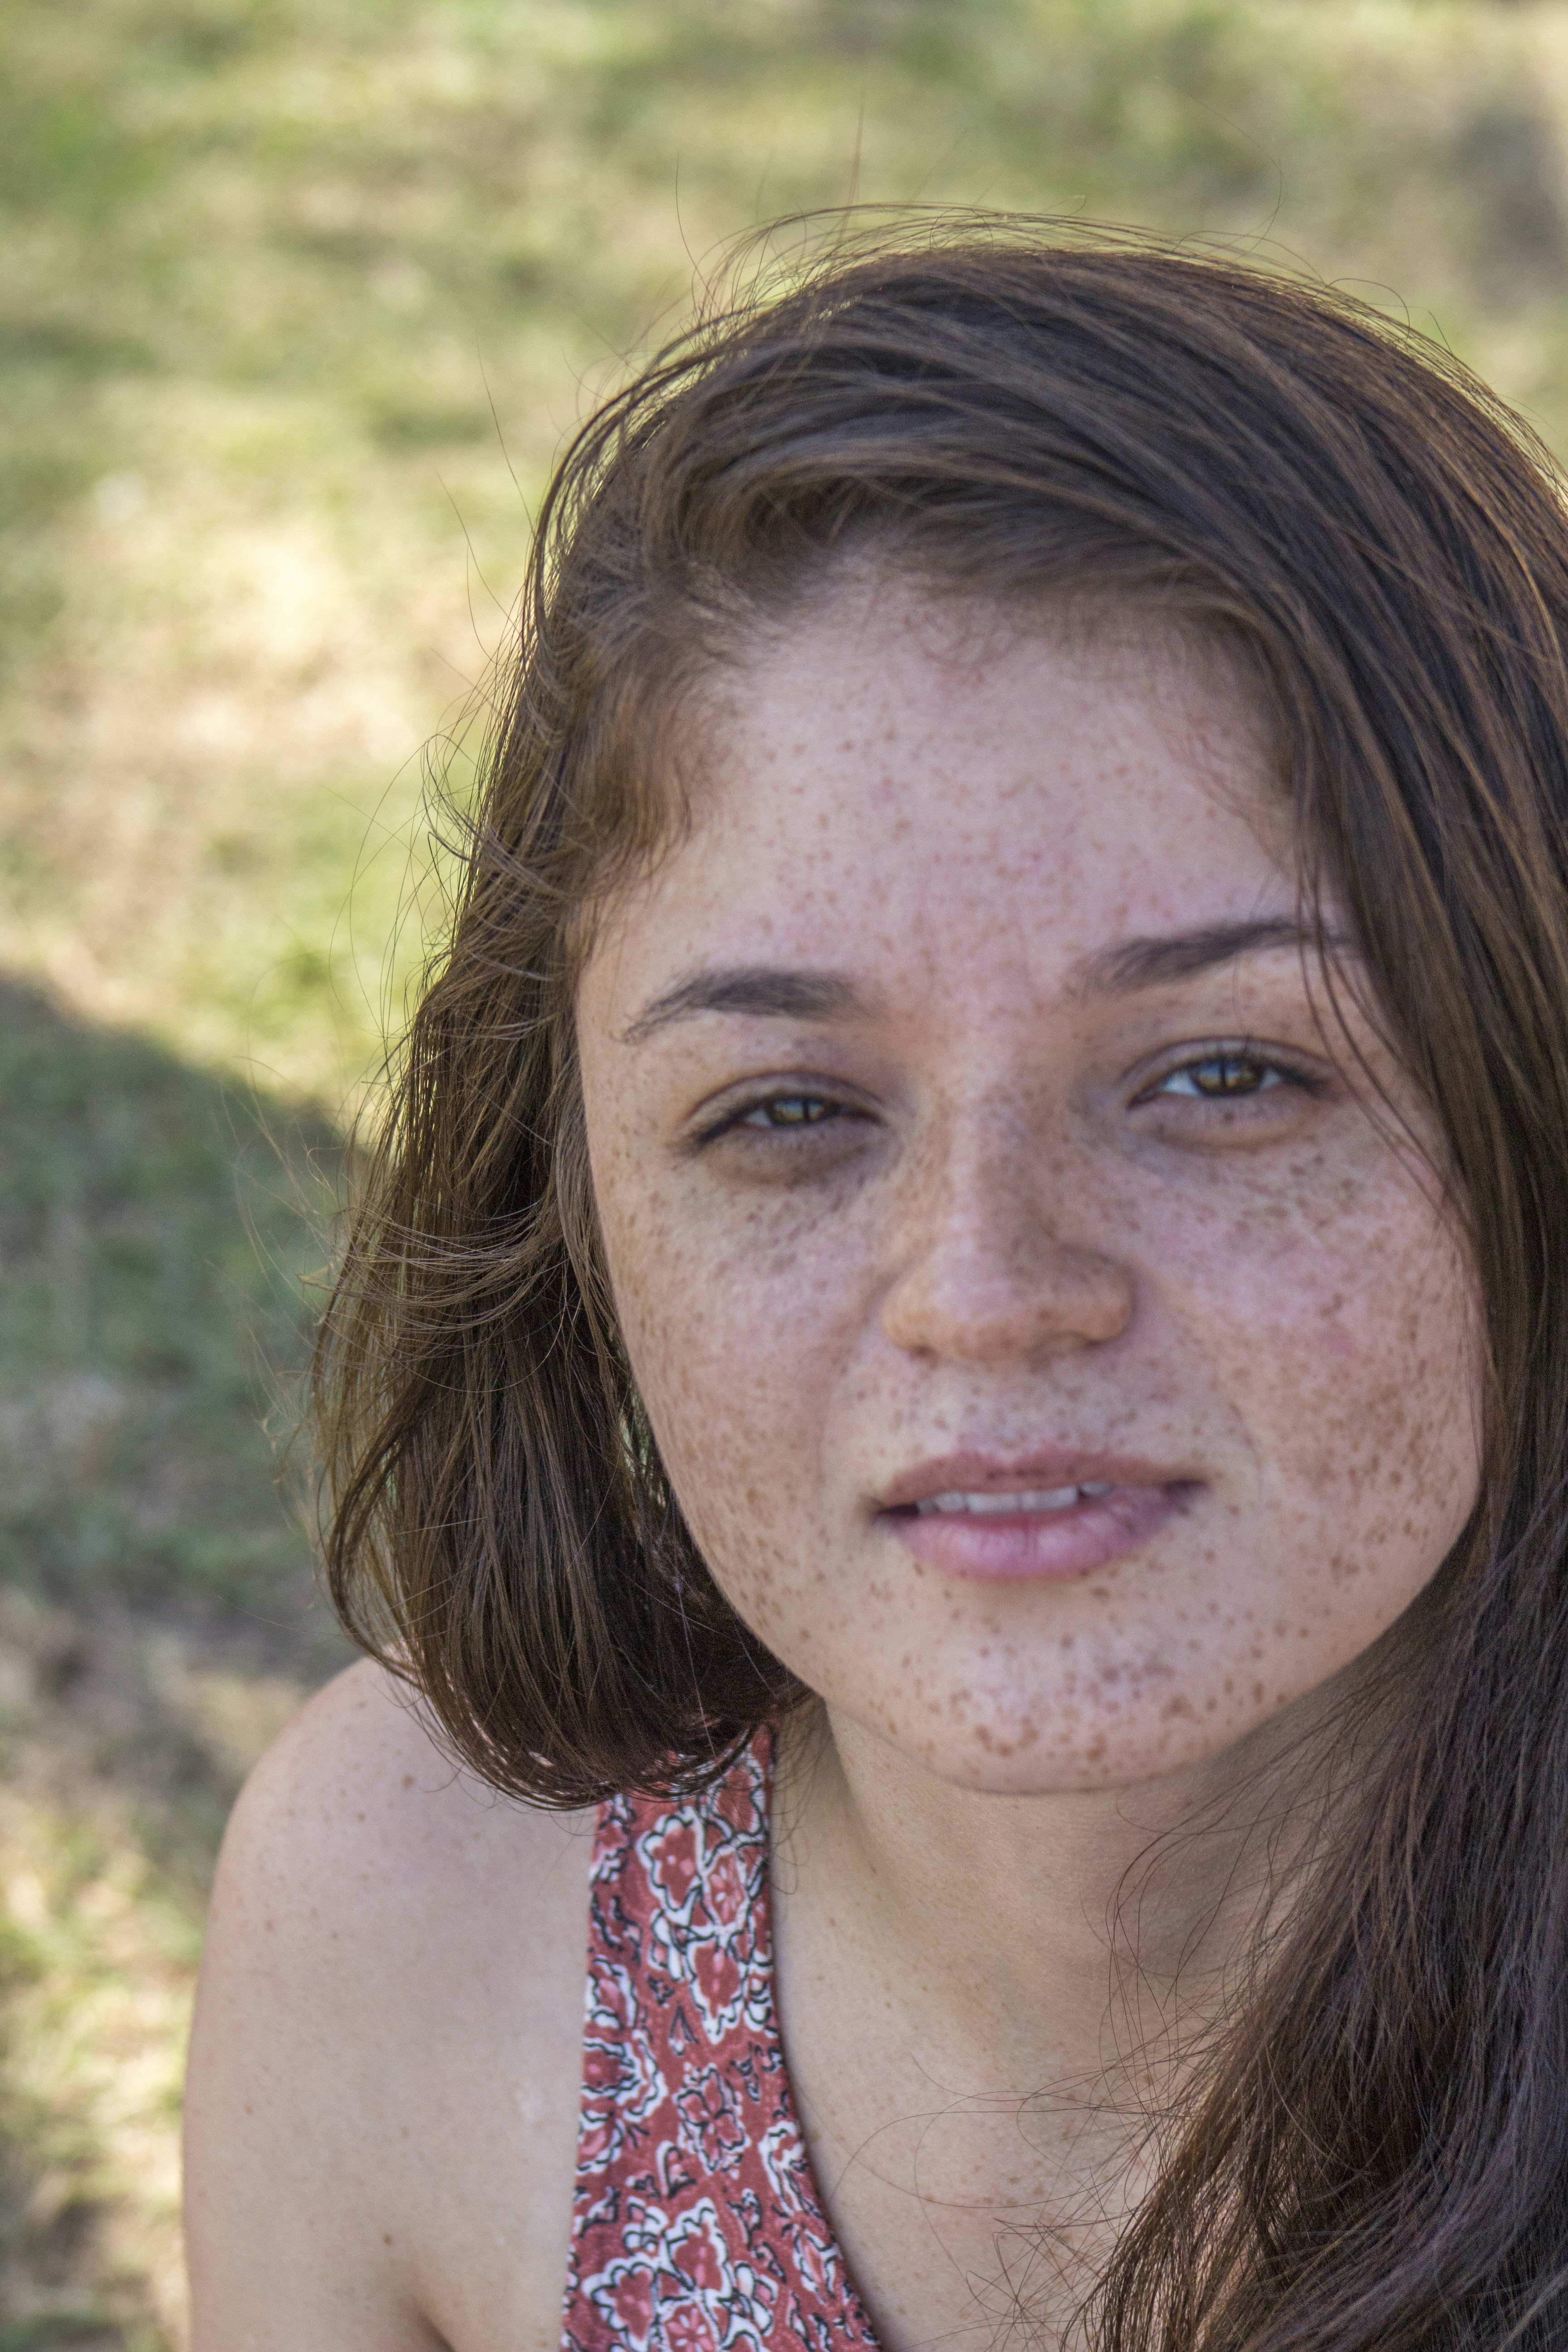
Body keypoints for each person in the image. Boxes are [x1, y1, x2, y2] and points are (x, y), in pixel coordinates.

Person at [181, 221, 1568, 2351]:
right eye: (788, 1114)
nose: (989, 1293)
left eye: (1225, 1074)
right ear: (573, 1207)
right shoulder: (418, 1932)